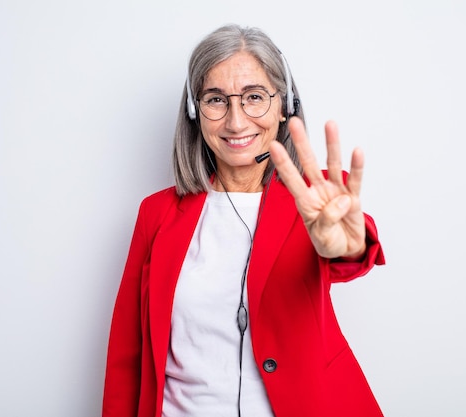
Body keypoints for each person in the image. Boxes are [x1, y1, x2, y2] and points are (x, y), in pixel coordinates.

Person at [102, 24, 386, 417]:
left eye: (254, 97)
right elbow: (126, 355)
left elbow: (351, 245)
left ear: (283, 105)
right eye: (216, 100)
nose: (236, 122)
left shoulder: (315, 200)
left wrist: (346, 247)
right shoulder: (156, 214)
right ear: (194, 110)